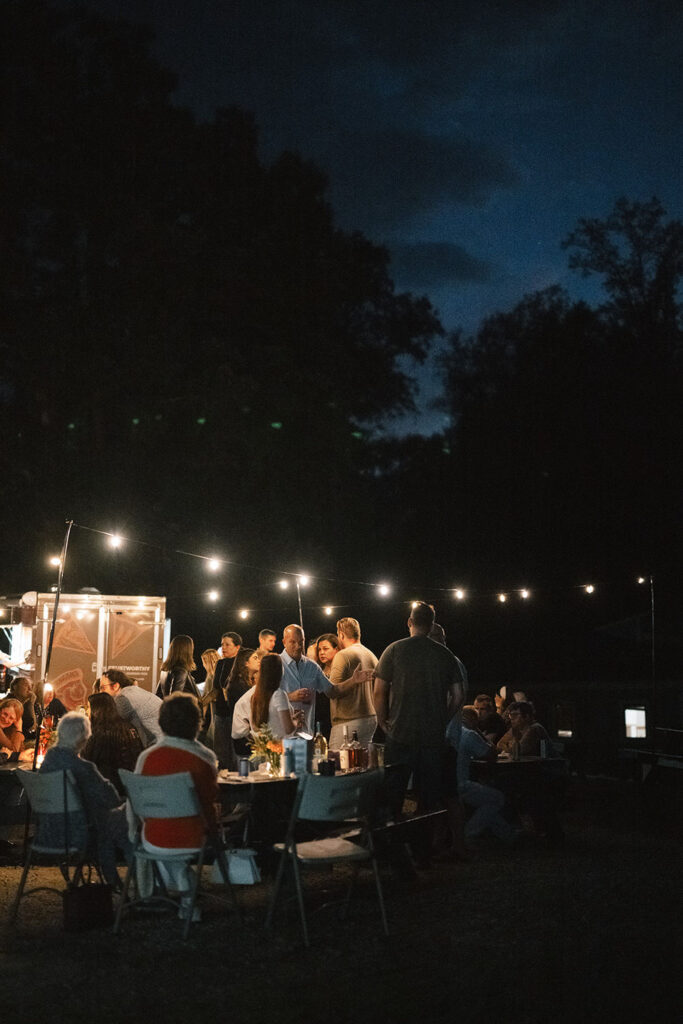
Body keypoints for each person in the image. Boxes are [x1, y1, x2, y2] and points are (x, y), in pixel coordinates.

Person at [373, 602, 464, 816]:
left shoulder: (394, 649)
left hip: (400, 733)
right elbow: (458, 696)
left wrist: (382, 721)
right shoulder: (445, 655)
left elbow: (379, 692)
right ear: (432, 625)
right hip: (433, 736)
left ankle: (394, 840)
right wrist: (443, 718)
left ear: (409, 622)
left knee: (393, 794)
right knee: (429, 798)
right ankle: (425, 842)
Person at [134, 693, 219, 918]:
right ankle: (187, 889)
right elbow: (210, 802)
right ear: (197, 723)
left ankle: (179, 888)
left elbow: (140, 807)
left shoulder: (146, 758)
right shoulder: (205, 758)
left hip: (153, 837)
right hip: (194, 837)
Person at [40, 712, 130, 889]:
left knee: (112, 821)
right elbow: (111, 799)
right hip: (79, 835)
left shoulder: (47, 764)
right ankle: (138, 879)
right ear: (84, 739)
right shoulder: (83, 768)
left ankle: (118, 881)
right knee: (127, 819)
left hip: (48, 833)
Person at [279, 624, 369, 736]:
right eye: (293, 642)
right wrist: (290, 696)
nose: (298, 646)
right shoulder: (275, 664)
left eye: (301, 642)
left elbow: (332, 691)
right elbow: (262, 697)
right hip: (279, 735)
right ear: (284, 642)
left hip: (306, 734)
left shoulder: (311, 666)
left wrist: (353, 680)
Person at [453, 706, 515, 842]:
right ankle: (468, 833)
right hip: (461, 785)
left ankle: (507, 833)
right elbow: (491, 754)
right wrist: (478, 732)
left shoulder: (448, 731)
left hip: (446, 784)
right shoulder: (469, 734)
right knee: (497, 798)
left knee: (489, 798)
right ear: (473, 720)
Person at [328, 618, 377, 749]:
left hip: (348, 722)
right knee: (362, 766)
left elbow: (332, 691)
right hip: (371, 718)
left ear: (341, 635)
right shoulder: (371, 655)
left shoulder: (342, 655)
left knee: (339, 764)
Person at [83, 692, 143, 795]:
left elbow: (86, 762)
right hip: (133, 786)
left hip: (109, 789)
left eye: (88, 707)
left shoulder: (100, 733)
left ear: (97, 710)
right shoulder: (129, 727)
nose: (86, 712)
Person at [232, 653, 297, 742]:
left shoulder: (255, 695)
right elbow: (288, 729)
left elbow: (255, 727)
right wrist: (296, 721)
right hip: (279, 747)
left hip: (265, 748)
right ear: (279, 670)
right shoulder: (279, 695)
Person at [99, 669, 163, 748]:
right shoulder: (133, 691)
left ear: (115, 686)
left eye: (103, 688)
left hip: (156, 746)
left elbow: (106, 724)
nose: (100, 692)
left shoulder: (122, 698)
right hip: (163, 741)